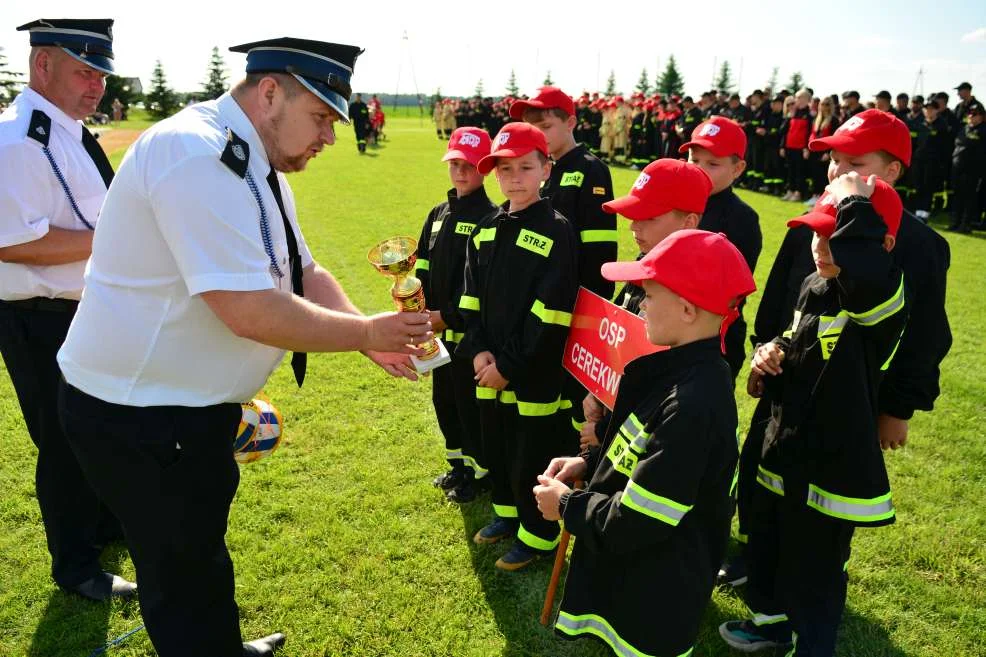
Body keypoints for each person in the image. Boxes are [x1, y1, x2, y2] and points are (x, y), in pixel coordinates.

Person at [56, 37, 433, 657]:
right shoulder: (193, 153)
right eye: (321, 118)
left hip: (179, 411)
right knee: (180, 572)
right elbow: (247, 309)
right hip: (140, 414)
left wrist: (365, 337)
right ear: (268, 93)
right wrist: (364, 333)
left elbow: (301, 269)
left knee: (198, 547)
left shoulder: (247, 153)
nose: (329, 138)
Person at [725, 107, 952, 593]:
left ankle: (818, 576)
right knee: (762, 474)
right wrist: (764, 348)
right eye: (834, 162)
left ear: (892, 172)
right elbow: (781, 297)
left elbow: (926, 336)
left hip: (849, 398)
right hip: (787, 381)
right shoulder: (813, 217)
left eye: (856, 163)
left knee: (821, 498)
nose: (838, 174)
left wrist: (896, 407)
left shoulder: (919, 244)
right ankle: (756, 554)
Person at [534, 229, 756, 657]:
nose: (640, 303)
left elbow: (641, 520)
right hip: (637, 576)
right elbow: (645, 449)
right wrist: (593, 463)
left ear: (687, 309)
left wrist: (566, 507)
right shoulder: (674, 372)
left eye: (648, 294)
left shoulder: (694, 402)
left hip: (658, 592)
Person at [720, 175, 909, 657]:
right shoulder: (812, 284)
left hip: (830, 462)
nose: (821, 247)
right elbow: (797, 337)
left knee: (814, 568)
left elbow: (864, 280)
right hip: (784, 446)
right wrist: (771, 352)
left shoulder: (880, 297)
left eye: (835, 237)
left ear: (880, 243)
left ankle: (811, 645)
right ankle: (772, 626)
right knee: (766, 540)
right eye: (816, 234)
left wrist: (854, 203)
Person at [0, 18, 134, 603]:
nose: (96, 85)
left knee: (94, 426)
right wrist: (120, 236)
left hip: (80, 309)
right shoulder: (16, 140)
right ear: (42, 66)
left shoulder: (68, 132)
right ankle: (77, 568)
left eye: (101, 73)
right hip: (37, 315)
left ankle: (103, 530)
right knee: (63, 439)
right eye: (84, 70)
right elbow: (10, 240)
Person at [458, 122, 579, 571]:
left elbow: (550, 312)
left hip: (533, 374)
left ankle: (538, 534)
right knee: (500, 446)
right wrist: (479, 351)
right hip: (490, 369)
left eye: (525, 167)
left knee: (532, 452)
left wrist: (510, 364)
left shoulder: (557, 231)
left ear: (546, 169)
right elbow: (469, 300)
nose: (514, 178)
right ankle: (507, 516)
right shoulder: (486, 229)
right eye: (504, 169)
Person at [580, 159, 714, 452]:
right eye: (632, 215)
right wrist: (597, 391)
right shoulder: (644, 264)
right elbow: (616, 336)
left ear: (688, 222)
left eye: (648, 217)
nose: (632, 226)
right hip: (613, 414)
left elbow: (664, 388)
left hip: (641, 442)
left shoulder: (691, 297)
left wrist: (604, 430)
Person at [510, 86, 616, 440]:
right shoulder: (542, 169)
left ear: (571, 121)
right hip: (541, 302)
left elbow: (600, 252)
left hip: (574, 308)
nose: (537, 135)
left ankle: (577, 462)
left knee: (574, 393)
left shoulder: (591, 170)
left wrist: (588, 313)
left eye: (545, 126)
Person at [416, 127, 497, 502]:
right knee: (443, 399)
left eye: (469, 165)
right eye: (454, 164)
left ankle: (479, 474)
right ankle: (457, 465)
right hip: (434, 332)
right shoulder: (438, 214)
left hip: (463, 333)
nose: (461, 172)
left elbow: (479, 285)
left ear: (484, 168)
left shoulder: (491, 218)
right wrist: (412, 302)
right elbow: (423, 264)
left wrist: (447, 317)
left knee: (468, 404)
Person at [679, 115, 763, 379]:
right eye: (694, 160)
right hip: (666, 326)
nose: (700, 169)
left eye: (712, 164)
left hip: (713, 341)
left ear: (737, 169)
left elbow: (727, 291)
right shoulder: (675, 202)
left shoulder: (742, 220)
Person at [947, 101, 985, 233]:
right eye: (969, 113)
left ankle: (965, 224)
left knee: (969, 199)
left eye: (975, 114)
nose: (971, 116)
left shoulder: (983, 130)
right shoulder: (964, 128)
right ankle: (955, 222)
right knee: (957, 197)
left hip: (973, 171)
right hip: (958, 168)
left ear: (981, 116)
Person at [780, 89, 812, 202]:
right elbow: (784, 131)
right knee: (790, 171)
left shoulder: (810, 114)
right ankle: (790, 191)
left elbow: (810, 133)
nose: (796, 100)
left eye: (798, 98)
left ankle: (798, 193)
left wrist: (807, 148)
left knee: (799, 171)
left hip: (801, 148)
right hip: (789, 147)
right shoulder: (793, 113)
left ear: (805, 99)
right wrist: (782, 146)